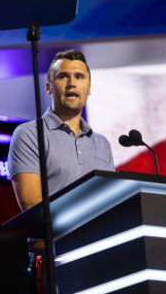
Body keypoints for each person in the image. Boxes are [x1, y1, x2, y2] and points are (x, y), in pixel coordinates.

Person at [8, 49, 114, 211]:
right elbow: (32, 206)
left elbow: (111, 200)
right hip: (58, 236)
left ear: (89, 88)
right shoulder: (29, 135)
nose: (71, 83)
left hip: (100, 235)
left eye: (79, 76)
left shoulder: (102, 143)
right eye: (63, 76)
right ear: (48, 87)